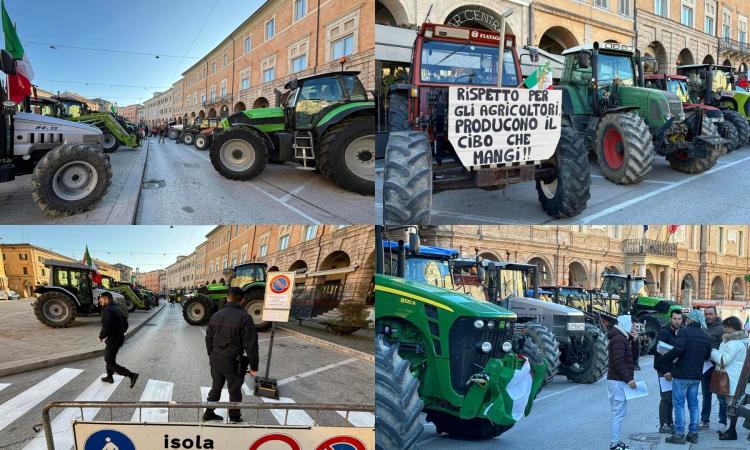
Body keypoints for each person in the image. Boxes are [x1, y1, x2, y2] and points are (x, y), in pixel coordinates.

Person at [203, 287, 259, 423]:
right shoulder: (245, 318)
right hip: (233, 361)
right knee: (234, 390)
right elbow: (250, 345)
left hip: (216, 359)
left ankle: (208, 412)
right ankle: (234, 417)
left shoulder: (216, 315)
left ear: (228, 297)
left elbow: (208, 338)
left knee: (216, 386)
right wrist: (254, 366)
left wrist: (211, 354)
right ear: (243, 300)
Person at [662, 309, 712, 445]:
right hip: (696, 376)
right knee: (694, 405)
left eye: (687, 319)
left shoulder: (684, 332)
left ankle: (679, 434)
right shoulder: (705, 335)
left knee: (679, 405)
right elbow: (708, 356)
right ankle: (693, 433)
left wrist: (665, 357)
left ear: (690, 320)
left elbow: (678, 350)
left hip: (681, 374)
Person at [710, 316, 749, 440]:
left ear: (732, 327)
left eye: (726, 326)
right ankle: (731, 430)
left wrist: (712, 352)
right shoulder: (731, 341)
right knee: (731, 406)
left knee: (733, 406)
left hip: (732, 378)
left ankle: (732, 431)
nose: (724, 329)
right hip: (731, 377)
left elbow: (724, 360)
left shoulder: (734, 343)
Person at [605, 314, 637, 450]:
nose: (634, 327)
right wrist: (629, 379)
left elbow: (633, 358)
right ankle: (614, 443)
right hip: (618, 381)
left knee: (619, 412)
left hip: (617, 380)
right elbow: (619, 361)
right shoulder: (619, 339)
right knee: (618, 413)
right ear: (625, 324)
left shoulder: (622, 338)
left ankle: (616, 442)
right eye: (633, 324)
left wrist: (633, 340)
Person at [98, 292, 139, 388]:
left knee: (108, 360)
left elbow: (106, 327)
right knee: (110, 358)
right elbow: (126, 324)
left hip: (113, 339)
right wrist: (120, 332)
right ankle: (109, 377)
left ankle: (131, 375)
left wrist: (100, 337)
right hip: (119, 338)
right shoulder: (117, 308)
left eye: (101, 299)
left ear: (106, 299)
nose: (100, 301)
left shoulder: (108, 310)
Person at [654, 310, 683, 433]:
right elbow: (658, 354)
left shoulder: (681, 332)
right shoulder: (664, 333)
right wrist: (665, 371)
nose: (677, 321)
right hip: (664, 371)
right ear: (671, 318)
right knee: (666, 398)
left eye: (679, 319)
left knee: (672, 398)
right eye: (675, 318)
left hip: (674, 371)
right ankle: (663, 424)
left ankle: (670, 422)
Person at [701, 306, 724, 430]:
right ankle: (705, 420)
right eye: (706, 314)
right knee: (706, 395)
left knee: (721, 396)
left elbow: (724, 348)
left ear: (716, 314)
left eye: (711, 314)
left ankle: (722, 421)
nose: (708, 316)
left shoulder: (721, 329)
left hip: (718, 367)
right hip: (705, 367)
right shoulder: (702, 328)